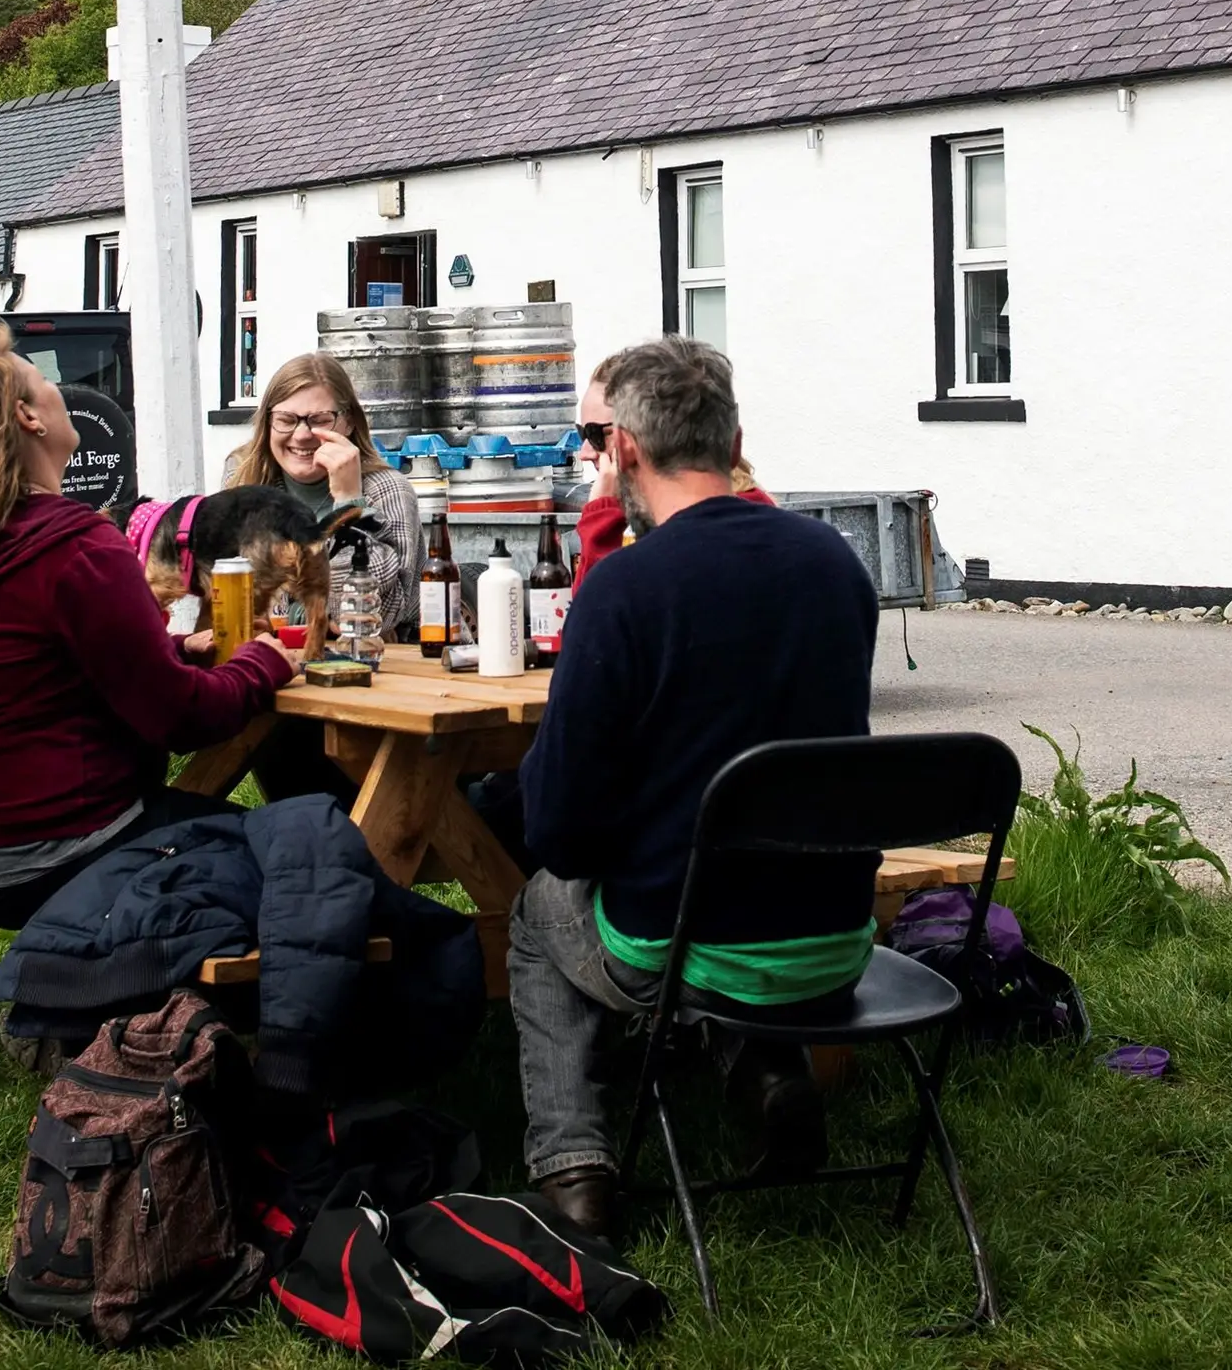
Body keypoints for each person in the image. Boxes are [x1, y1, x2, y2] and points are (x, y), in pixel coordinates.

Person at [509, 337, 875, 1245]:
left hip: (687, 944)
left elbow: (561, 831)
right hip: (836, 939)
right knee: (714, 879)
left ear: (623, 450)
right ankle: (762, 1066)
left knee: (539, 905)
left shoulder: (629, 588)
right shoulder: (835, 563)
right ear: (735, 435)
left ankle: (574, 1170)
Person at [0, 324, 298, 927]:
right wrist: (264, 662)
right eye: (46, 382)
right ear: (28, 417)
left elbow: (42, 665)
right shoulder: (76, 545)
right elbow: (181, 720)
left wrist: (172, 647)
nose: (62, 391)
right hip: (48, 855)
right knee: (308, 850)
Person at [224, 352, 425, 593]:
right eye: (286, 420)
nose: (301, 435)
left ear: (349, 422)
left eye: (319, 420)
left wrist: (349, 504)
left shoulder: (388, 490)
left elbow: (371, 612)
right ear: (267, 423)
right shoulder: (244, 476)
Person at [568, 370, 768, 579]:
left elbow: (607, 604)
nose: (585, 452)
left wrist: (602, 518)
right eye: (583, 433)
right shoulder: (641, 509)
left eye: (600, 434)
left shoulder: (733, 519)